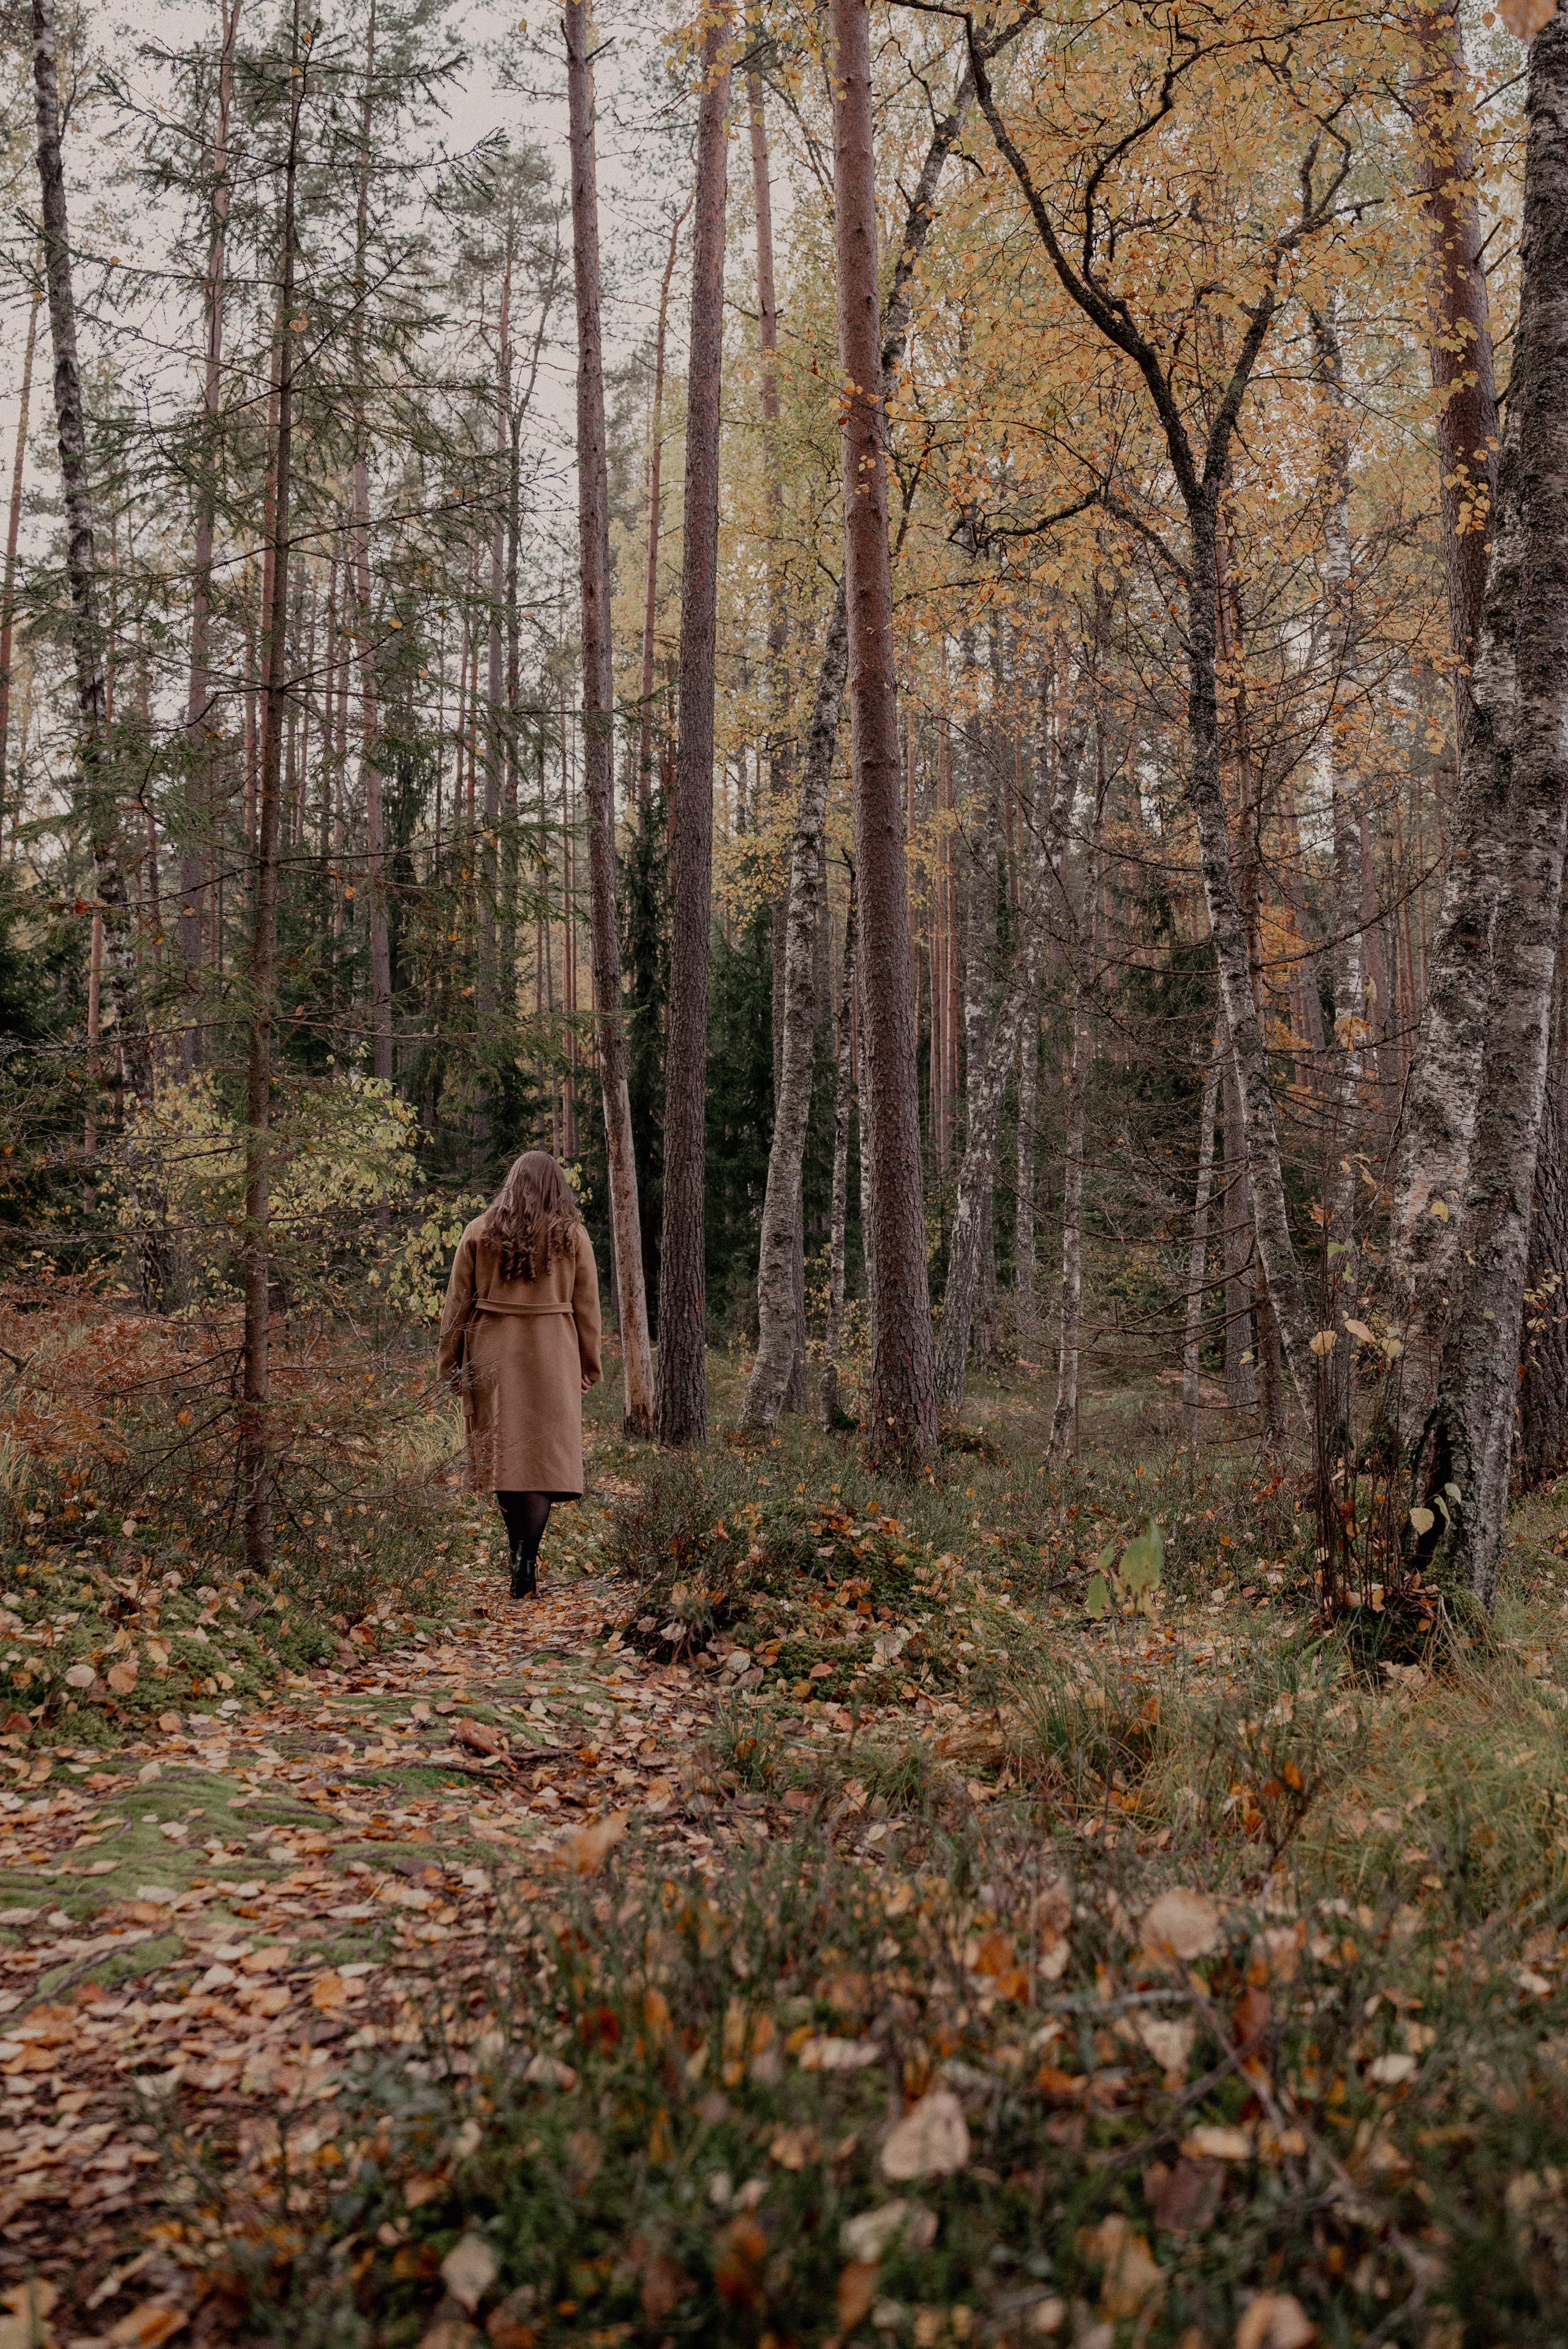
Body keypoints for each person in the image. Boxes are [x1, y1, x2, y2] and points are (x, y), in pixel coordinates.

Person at [437, 1150, 602, 1599]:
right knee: (541, 1461)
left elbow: (457, 1304)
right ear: (558, 1188)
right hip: (553, 1354)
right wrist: (589, 1365)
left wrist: (450, 1364)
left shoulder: (479, 1231)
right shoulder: (572, 1236)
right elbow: (588, 1307)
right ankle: (527, 1559)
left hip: (492, 1352)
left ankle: (518, 1559)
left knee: (506, 1456)